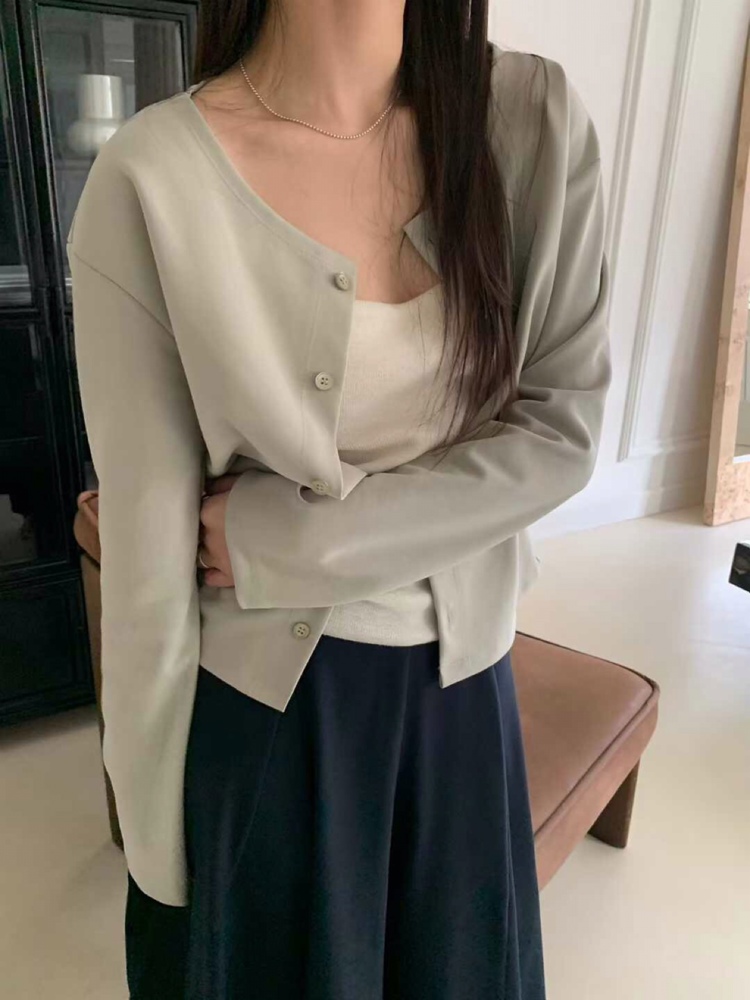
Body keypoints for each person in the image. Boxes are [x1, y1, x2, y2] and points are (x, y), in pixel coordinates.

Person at [67, 1, 612, 997]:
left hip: (463, 708)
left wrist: (295, 539)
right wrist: (161, 867)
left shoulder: (531, 120)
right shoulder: (153, 176)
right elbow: (147, 570)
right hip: (265, 726)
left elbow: (561, 431)